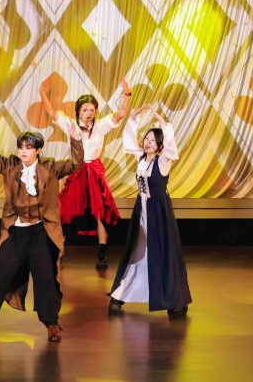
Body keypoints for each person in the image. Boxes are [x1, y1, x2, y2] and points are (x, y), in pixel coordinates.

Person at [0, 109, 84, 343]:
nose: (23, 151)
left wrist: (75, 138)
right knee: (1, 275)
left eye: (29, 147)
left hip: (42, 231)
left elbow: (76, 163)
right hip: (16, 231)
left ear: (38, 150)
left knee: (46, 277)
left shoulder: (50, 168)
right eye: (21, 147)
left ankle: (51, 322)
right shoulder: (10, 166)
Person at [108, 106, 191, 317]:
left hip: (158, 211)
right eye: (146, 139)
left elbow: (171, 149)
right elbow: (129, 141)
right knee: (136, 250)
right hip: (142, 208)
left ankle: (173, 299)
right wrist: (134, 119)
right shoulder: (141, 158)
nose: (147, 142)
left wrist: (164, 124)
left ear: (160, 145)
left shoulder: (162, 161)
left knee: (162, 251)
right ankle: (121, 294)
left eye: (153, 141)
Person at [43, 79, 131, 270]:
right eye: (85, 110)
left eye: (92, 110)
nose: (89, 113)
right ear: (78, 111)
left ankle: (102, 254)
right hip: (77, 171)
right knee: (66, 211)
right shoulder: (70, 124)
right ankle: (58, 253)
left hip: (95, 173)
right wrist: (43, 92)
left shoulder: (101, 125)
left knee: (100, 212)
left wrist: (127, 94)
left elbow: (121, 114)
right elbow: (51, 112)